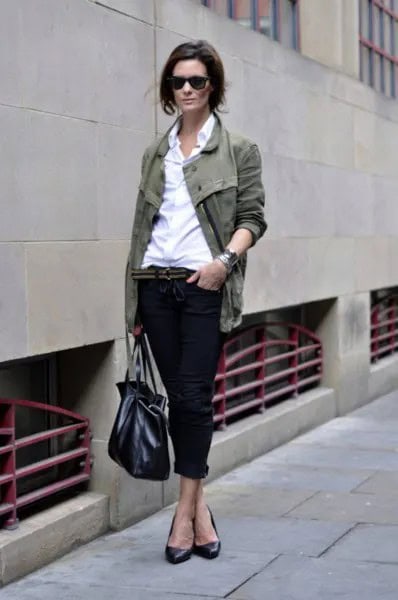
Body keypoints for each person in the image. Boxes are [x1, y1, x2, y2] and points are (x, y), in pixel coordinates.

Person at [125, 40, 266, 564]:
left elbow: (253, 218)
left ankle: (182, 517)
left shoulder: (239, 150)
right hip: (154, 286)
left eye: (197, 82)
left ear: (213, 88)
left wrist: (222, 264)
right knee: (182, 401)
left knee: (191, 397)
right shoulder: (154, 153)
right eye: (178, 82)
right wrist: (135, 305)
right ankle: (200, 509)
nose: (186, 89)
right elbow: (144, 227)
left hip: (203, 286)